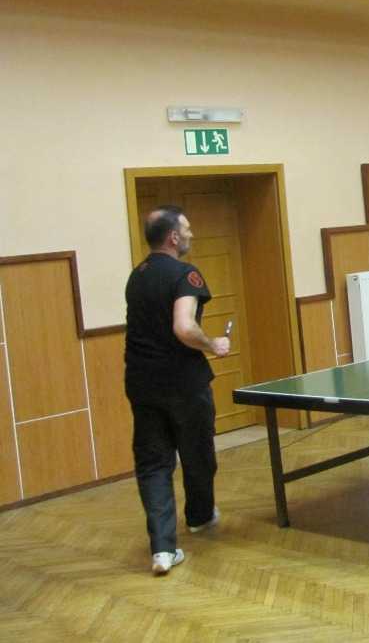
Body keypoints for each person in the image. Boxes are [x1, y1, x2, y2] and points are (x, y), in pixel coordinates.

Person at [125, 205, 230, 576]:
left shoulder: (136, 276)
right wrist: (213, 345)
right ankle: (199, 516)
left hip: (141, 383)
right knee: (197, 453)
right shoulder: (186, 274)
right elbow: (184, 328)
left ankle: (163, 550)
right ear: (172, 237)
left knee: (153, 464)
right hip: (184, 383)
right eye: (186, 229)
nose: (191, 234)